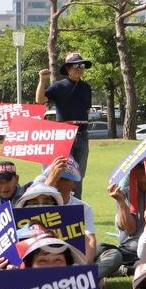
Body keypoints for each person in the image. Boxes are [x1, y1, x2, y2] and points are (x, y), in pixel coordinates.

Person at [36, 51, 93, 193]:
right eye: (75, 65)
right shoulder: (59, 86)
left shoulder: (86, 87)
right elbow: (40, 100)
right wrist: (42, 80)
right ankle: (61, 202)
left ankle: (76, 205)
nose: (79, 68)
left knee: (79, 175)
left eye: (81, 65)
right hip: (65, 135)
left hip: (82, 134)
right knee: (64, 173)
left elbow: (86, 110)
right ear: (68, 68)